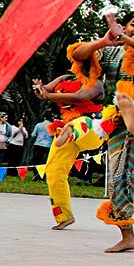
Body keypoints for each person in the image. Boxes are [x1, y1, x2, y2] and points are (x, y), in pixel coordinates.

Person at [70, 10, 134, 252]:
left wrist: (124, 37)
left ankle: (133, 115)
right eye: (133, 25)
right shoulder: (111, 51)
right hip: (118, 121)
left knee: (131, 96)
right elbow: (77, 54)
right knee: (119, 175)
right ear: (123, 27)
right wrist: (104, 41)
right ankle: (128, 235)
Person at [33, 73, 105, 230]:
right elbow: (43, 91)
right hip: (66, 130)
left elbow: (78, 98)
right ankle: (64, 216)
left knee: (81, 123)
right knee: (54, 172)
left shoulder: (96, 83)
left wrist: (47, 95)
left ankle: (71, 131)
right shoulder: (64, 78)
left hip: (93, 128)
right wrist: (39, 89)